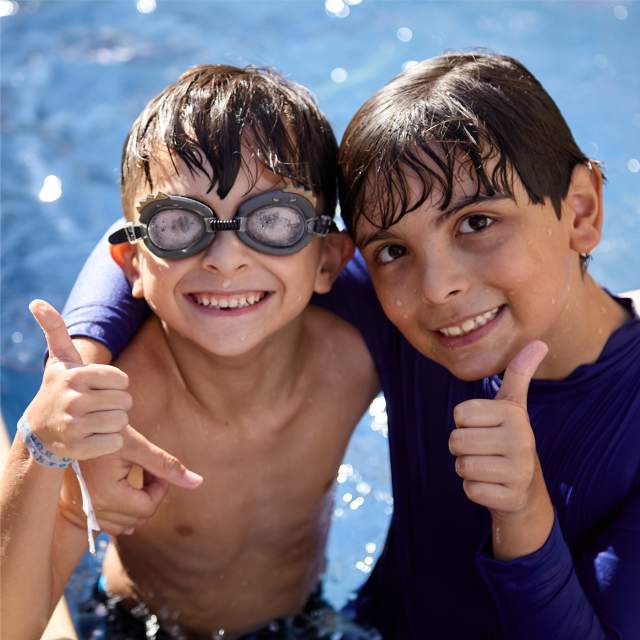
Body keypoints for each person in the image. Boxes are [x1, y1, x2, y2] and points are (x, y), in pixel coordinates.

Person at [20, 52, 640, 639]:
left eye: (478, 223)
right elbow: (151, 233)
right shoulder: (405, 318)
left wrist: (526, 514)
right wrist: (77, 384)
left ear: (582, 212)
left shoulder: (425, 320)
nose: (441, 287)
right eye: (392, 250)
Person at [0, 64, 381, 640]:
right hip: (139, 626)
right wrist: (41, 444)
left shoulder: (353, 363)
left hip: (304, 619)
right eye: (180, 224)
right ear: (132, 265)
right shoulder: (113, 407)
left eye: (273, 220)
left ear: (327, 258)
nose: (225, 260)